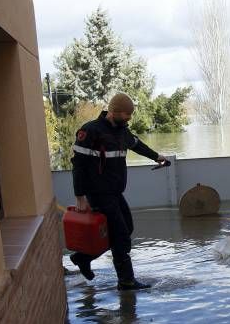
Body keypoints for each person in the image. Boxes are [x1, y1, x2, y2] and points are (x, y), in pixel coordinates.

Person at [69, 92, 168, 290]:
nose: (129, 118)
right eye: (126, 115)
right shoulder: (90, 131)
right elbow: (78, 165)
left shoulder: (122, 131)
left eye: (130, 115)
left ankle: (82, 257)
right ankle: (126, 281)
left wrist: (157, 156)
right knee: (121, 235)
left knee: (126, 229)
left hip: (115, 192)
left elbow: (137, 145)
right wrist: (80, 196)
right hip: (98, 193)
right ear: (113, 112)